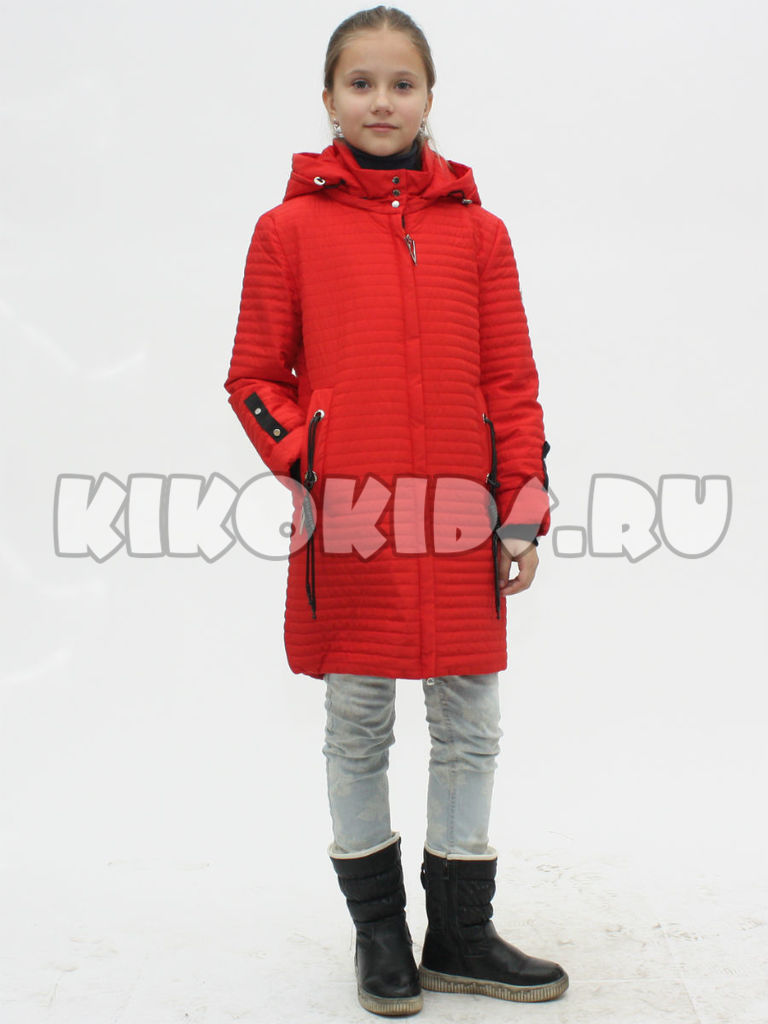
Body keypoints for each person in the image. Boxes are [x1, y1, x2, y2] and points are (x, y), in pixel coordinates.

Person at [224, 4, 567, 1016]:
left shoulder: (481, 235)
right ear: (329, 99)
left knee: (471, 722)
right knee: (358, 721)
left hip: (461, 518)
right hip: (355, 521)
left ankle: (460, 933)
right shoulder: (287, 231)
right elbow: (254, 377)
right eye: (361, 83)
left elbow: (512, 383)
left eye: (401, 83)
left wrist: (521, 507)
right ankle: (379, 936)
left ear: (429, 97)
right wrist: (311, 458)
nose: (382, 101)